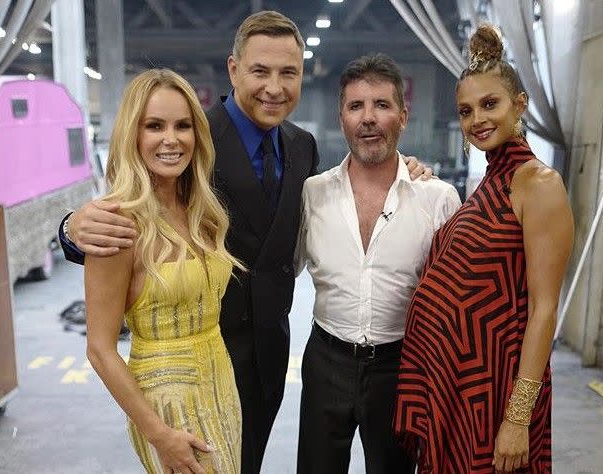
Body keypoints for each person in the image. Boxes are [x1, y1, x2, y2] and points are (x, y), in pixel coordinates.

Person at [59, 11, 429, 473]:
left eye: (288, 73)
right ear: (234, 69)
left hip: (271, 351)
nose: (274, 87)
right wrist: (72, 229)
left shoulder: (301, 146)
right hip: (206, 350)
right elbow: (134, 208)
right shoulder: (193, 136)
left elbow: (324, 210)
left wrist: (403, 173)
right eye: (260, 71)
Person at [394, 24, 574, 473]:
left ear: (520, 105)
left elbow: (544, 309)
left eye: (489, 104)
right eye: (466, 110)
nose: (478, 119)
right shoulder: (491, 183)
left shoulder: (540, 184)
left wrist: (517, 419)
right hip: (455, 390)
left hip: (494, 393)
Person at [294, 53, 461, 474]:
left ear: (403, 116)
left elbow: (455, 303)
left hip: (401, 367)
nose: (368, 118)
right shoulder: (312, 194)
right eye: (356, 106)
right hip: (326, 360)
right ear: (342, 118)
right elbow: (282, 268)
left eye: (381, 105)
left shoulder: (437, 198)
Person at [84, 69, 244, 474]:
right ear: (132, 136)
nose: (171, 139)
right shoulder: (117, 223)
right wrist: (159, 434)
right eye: (154, 126)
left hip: (221, 380)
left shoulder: (202, 212)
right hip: (166, 401)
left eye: (182, 126)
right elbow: (100, 349)